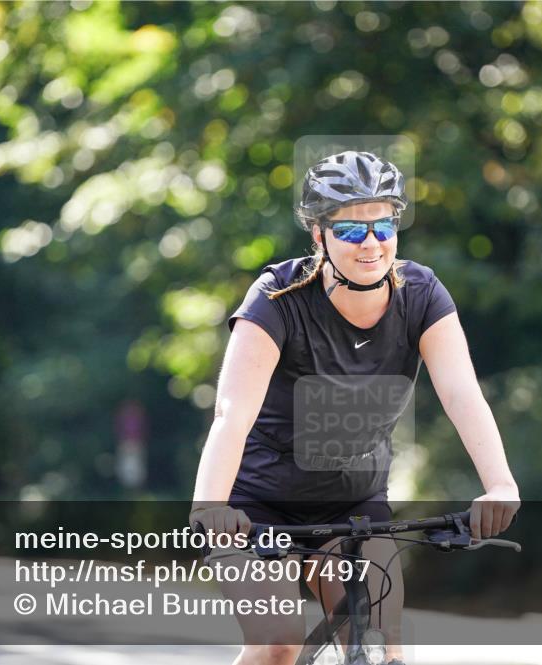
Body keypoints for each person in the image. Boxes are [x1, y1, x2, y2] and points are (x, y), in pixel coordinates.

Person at [190, 150, 520, 665]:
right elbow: (233, 414)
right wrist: (211, 506)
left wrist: (500, 484)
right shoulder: (277, 298)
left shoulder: (422, 294)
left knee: (382, 641)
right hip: (255, 506)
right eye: (350, 230)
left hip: (355, 505)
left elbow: (462, 394)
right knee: (278, 644)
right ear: (319, 235)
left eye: (383, 225)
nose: (371, 242)